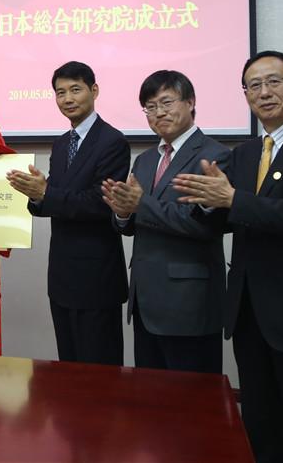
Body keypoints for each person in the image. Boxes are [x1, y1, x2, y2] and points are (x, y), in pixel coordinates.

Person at [173, 50, 283, 463]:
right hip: (250, 313)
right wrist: (208, 203)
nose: (264, 92)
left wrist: (232, 198)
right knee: (260, 423)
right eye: (254, 85)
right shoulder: (245, 153)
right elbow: (229, 217)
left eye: (274, 82)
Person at [101, 70, 228, 373]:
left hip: (189, 302)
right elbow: (133, 224)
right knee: (150, 395)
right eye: (150, 107)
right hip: (145, 300)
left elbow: (202, 225)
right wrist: (122, 213)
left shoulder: (215, 156)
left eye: (167, 102)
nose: (159, 113)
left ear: (190, 102)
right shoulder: (144, 160)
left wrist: (140, 204)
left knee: (191, 396)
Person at [6, 61, 129, 365]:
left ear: (94, 91)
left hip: (97, 277)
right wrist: (36, 195)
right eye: (60, 93)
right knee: (68, 369)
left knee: (99, 372)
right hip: (62, 275)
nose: (68, 99)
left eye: (75, 90)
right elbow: (54, 198)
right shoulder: (61, 144)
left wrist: (46, 193)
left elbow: (100, 203)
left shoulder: (113, 141)